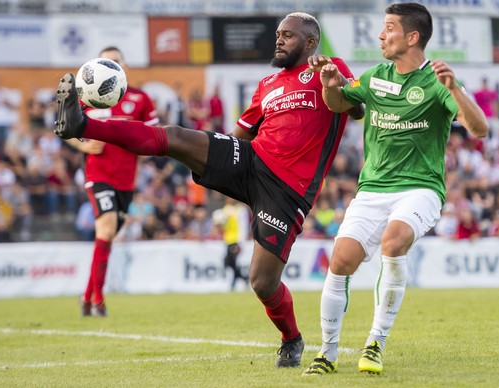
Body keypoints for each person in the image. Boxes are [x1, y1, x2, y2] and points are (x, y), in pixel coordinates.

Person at [54, 12, 364, 367]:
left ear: (310, 42)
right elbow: (241, 135)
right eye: (278, 34)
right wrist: (210, 158)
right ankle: (83, 124)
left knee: (262, 282)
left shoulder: (330, 68)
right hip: (252, 160)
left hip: (287, 189)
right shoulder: (267, 85)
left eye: (288, 36)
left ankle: (291, 338)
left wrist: (332, 83)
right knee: (176, 137)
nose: (278, 40)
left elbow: (355, 109)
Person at [301, 2, 489, 376]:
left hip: (420, 188)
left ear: (412, 37)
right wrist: (329, 84)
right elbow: (339, 103)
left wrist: (455, 89)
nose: (380, 35)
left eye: (388, 28)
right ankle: (327, 353)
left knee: (394, 240)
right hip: (372, 190)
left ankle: (375, 344)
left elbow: (479, 128)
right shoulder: (374, 77)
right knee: (340, 261)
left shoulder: (437, 80)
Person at [65, 46, 159, 317]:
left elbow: (155, 134)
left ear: (125, 66)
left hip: (127, 181)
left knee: (106, 237)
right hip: (98, 175)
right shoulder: (88, 96)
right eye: (105, 62)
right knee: (105, 230)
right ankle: (99, 300)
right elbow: (63, 127)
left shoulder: (141, 98)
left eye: (116, 61)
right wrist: (82, 147)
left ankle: (86, 296)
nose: (111, 66)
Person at [213, 196, 251, 291]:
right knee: (230, 262)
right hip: (228, 240)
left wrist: (240, 242)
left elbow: (243, 227)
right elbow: (223, 226)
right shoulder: (225, 210)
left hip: (236, 240)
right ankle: (244, 278)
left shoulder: (241, 210)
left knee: (232, 262)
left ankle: (233, 284)